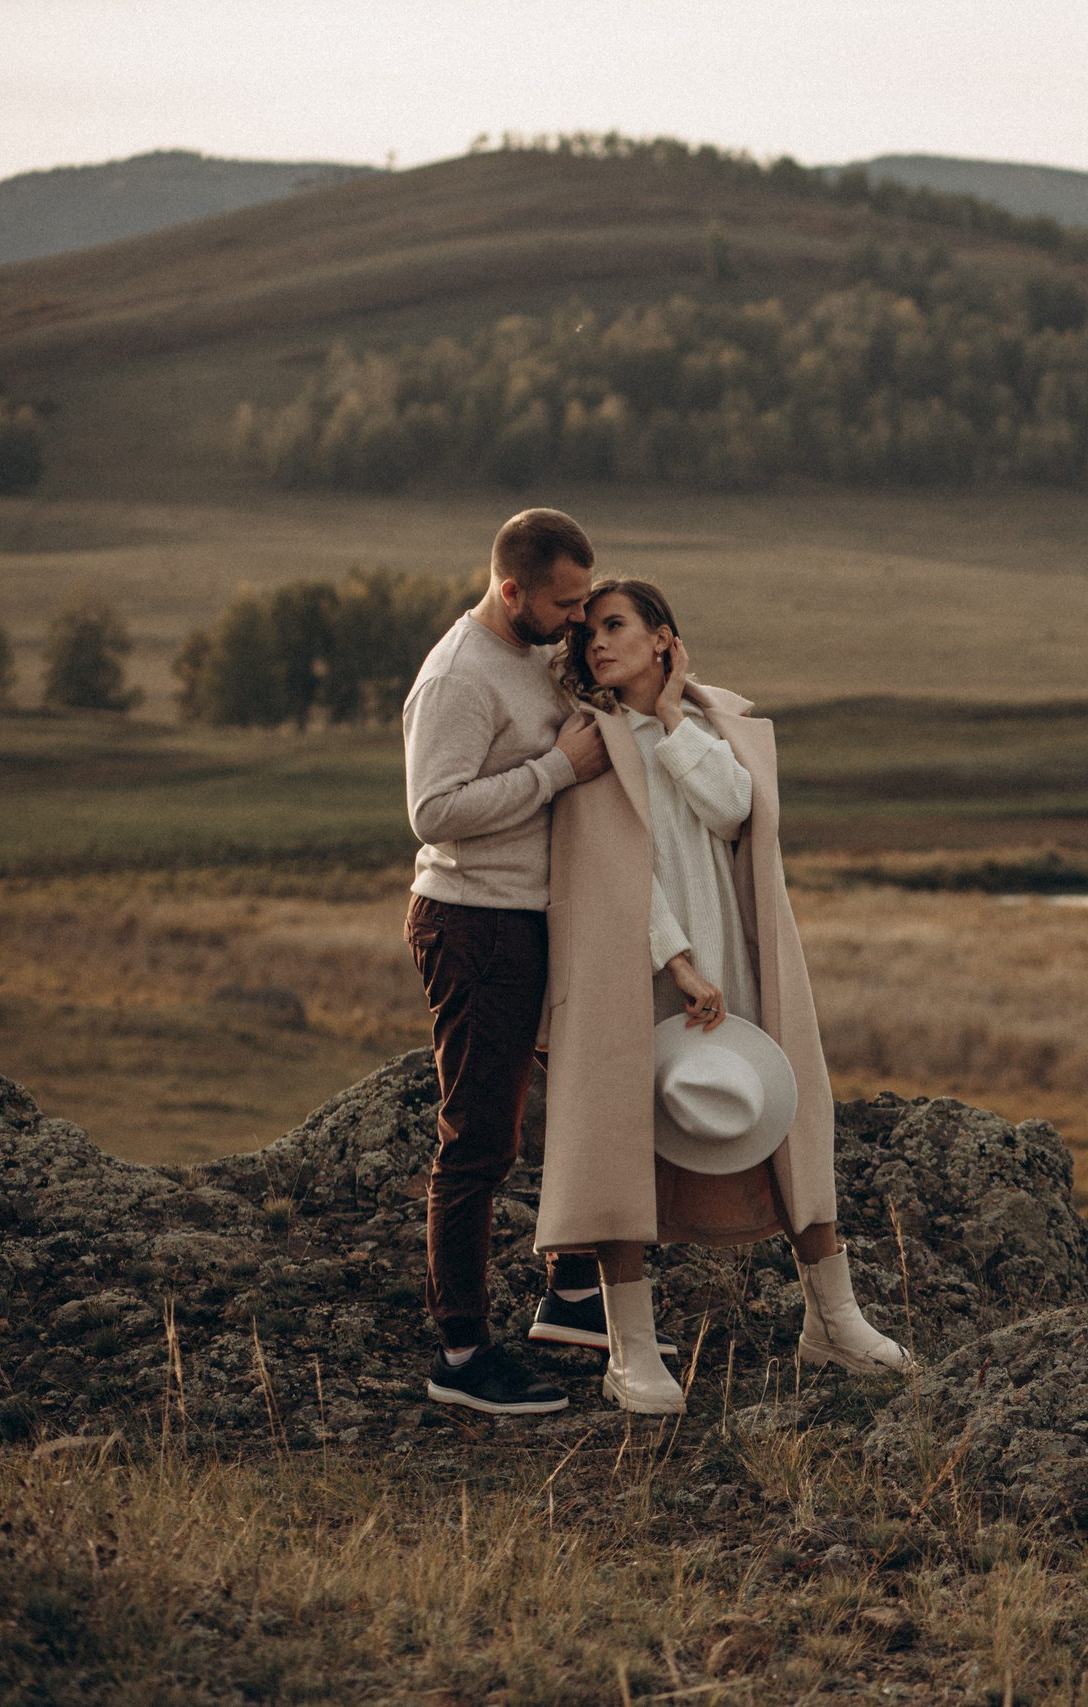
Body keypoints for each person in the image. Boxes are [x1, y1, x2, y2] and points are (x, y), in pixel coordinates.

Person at [534, 578, 910, 1414]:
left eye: (617, 625)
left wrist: (672, 717)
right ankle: (630, 1351)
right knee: (622, 1138)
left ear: (665, 638)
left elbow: (735, 811)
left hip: (733, 963)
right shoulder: (591, 738)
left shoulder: (704, 725)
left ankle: (834, 1319)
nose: (597, 643)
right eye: (588, 633)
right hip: (640, 971)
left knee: (784, 1115)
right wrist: (674, 961)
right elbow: (613, 871)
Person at [402, 508, 607, 1416]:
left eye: (584, 602)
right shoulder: (458, 676)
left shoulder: (534, 648)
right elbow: (433, 812)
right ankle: (460, 1354)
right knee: (480, 1140)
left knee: (575, 1100)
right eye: (563, 603)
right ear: (511, 589)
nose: (575, 619)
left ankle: (568, 1293)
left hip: (532, 916)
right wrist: (557, 772)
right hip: (473, 922)